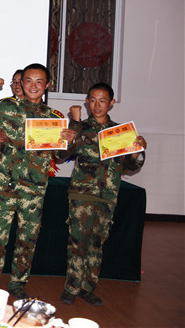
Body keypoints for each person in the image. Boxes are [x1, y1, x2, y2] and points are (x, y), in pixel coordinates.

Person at [0, 63, 75, 300]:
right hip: (5, 184)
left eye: (39, 81)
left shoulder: (54, 118)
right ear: (21, 83)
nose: (33, 86)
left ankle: (18, 283)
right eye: (28, 80)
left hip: (34, 189)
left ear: (47, 85)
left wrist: (68, 142)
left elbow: (60, 156)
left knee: (27, 239)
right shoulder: (6, 107)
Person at [60, 83, 146, 307]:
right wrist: (70, 134)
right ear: (87, 102)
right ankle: (71, 288)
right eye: (93, 100)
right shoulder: (79, 128)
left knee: (96, 245)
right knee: (77, 243)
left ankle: (88, 288)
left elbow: (129, 166)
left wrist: (136, 152)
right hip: (81, 195)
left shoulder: (120, 132)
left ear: (111, 103)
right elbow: (61, 154)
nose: (97, 105)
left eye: (102, 100)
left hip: (107, 196)